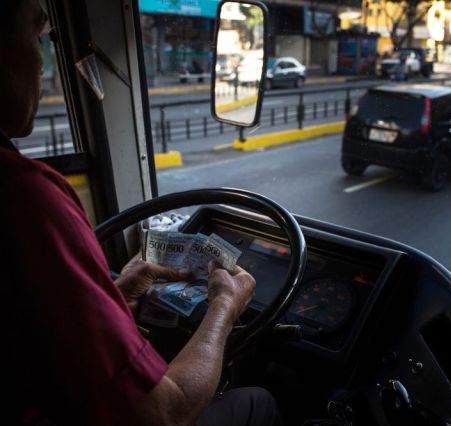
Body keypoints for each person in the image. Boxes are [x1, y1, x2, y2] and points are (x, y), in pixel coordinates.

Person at [0, 1, 281, 425]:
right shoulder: (25, 197)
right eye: (39, 35)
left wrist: (117, 299)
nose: (44, 63)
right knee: (259, 401)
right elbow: (162, 414)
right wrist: (225, 307)